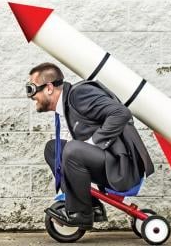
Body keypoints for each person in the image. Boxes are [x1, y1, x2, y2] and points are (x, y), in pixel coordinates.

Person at [27, 62, 154, 229]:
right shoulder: (69, 103)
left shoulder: (79, 94)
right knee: (53, 149)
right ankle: (91, 206)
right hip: (108, 163)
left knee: (73, 150)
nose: (30, 96)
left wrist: (93, 143)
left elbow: (121, 113)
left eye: (32, 89)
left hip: (122, 169)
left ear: (49, 87)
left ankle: (81, 214)